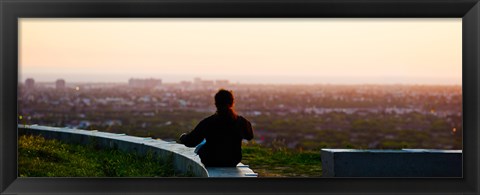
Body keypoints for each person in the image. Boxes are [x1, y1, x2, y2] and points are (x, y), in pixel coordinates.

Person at [178, 89, 254, 167]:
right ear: (232, 103)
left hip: (211, 159)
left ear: (216, 104)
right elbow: (249, 136)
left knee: (201, 146)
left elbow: (191, 141)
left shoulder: (208, 122)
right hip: (232, 160)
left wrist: (183, 137)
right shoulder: (241, 122)